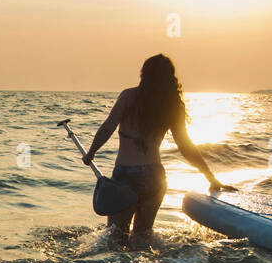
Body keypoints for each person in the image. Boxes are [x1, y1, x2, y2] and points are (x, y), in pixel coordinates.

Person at [83, 54, 228, 245]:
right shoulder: (172, 106)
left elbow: (107, 127)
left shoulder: (129, 97)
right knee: (142, 239)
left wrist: (91, 153)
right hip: (155, 178)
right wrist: (210, 177)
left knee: (115, 240)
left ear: (144, 74)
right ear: (170, 78)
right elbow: (185, 146)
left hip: (126, 177)